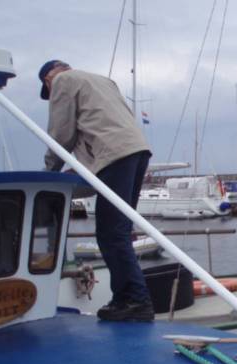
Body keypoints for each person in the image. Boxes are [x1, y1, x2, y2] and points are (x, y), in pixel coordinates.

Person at [39, 60, 154, 321]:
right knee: (120, 230)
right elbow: (107, 123)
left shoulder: (62, 82)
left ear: (48, 79)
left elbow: (60, 135)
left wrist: (49, 173)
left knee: (110, 233)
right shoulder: (103, 81)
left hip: (113, 156)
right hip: (136, 151)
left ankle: (135, 300)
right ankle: (127, 298)